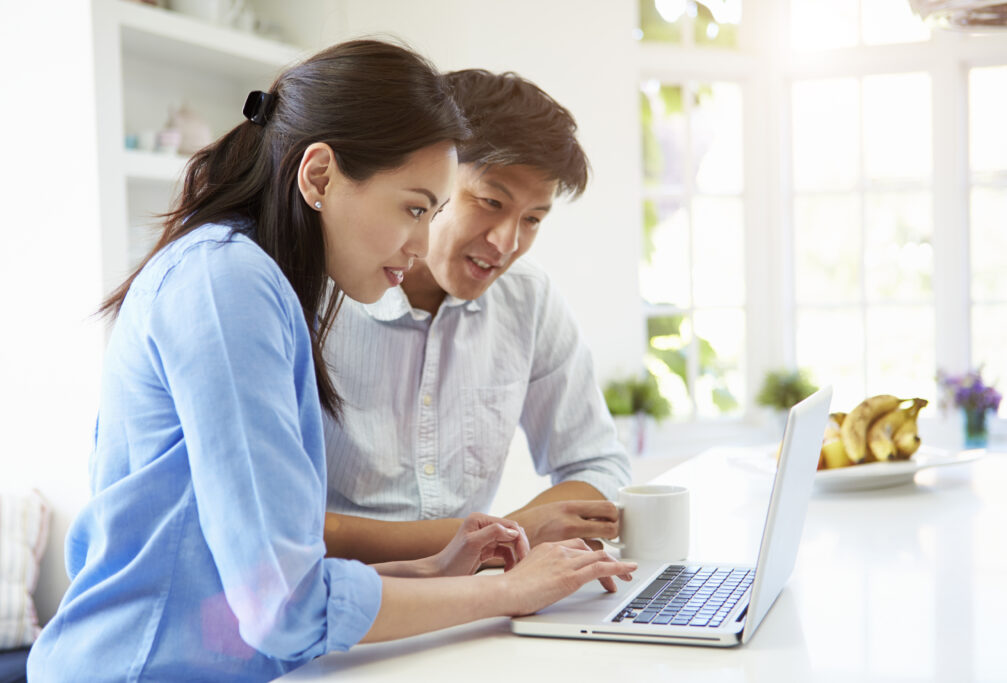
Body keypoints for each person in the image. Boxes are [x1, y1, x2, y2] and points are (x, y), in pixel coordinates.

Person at [27, 41, 636, 683]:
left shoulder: (260, 282)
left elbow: (278, 579)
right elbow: (284, 606)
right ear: (319, 176)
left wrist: (436, 567)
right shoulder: (227, 283)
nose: (423, 241)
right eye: (415, 208)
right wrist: (507, 591)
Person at [321, 69, 632, 565]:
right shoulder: (314, 295)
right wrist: (505, 534)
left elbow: (597, 463)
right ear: (433, 176)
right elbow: (286, 526)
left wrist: (503, 538)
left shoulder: (527, 299)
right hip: (344, 604)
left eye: (533, 219)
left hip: (473, 599)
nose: (507, 243)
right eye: (491, 202)